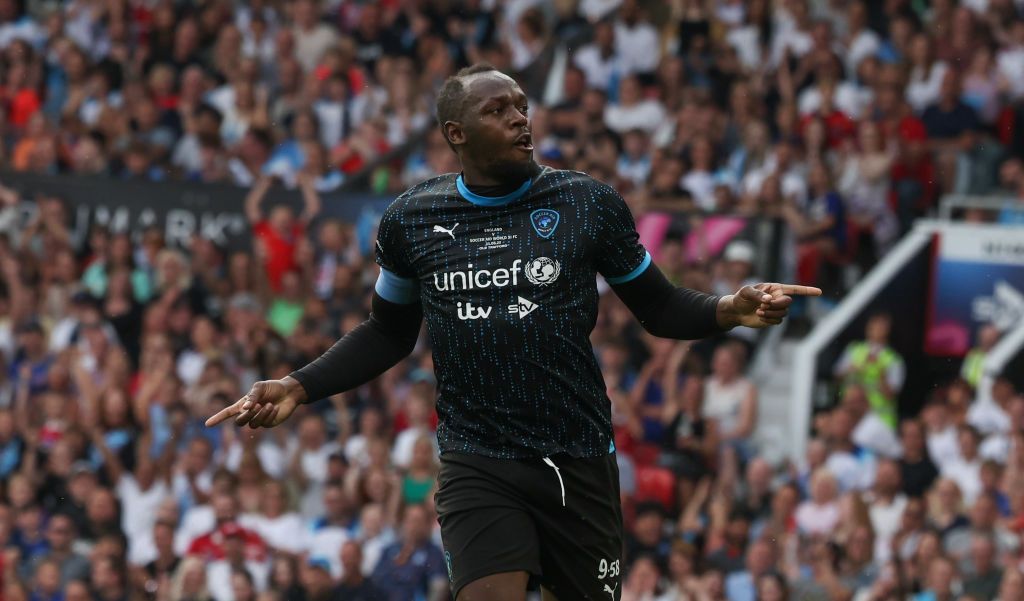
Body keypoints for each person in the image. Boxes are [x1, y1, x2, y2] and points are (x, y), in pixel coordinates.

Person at [206, 64, 819, 601]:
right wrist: (299, 385)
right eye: (497, 110)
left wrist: (730, 310)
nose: (520, 119)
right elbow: (388, 333)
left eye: (522, 105)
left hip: (576, 455)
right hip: (479, 457)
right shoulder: (412, 220)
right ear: (457, 133)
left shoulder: (586, 204)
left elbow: (659, 308)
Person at [833, 313, 905, 430]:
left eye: (882, 327)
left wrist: (881, 377)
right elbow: (837, 377)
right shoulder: (854, 349)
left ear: (888, 331)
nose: (877, 330)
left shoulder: (893, 359)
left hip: (879, 419)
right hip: (851, 416)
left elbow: (892, 394)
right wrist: (852, 369)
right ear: (868, 328)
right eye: (874, 326)